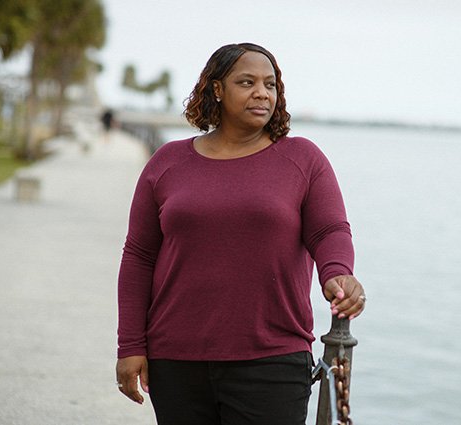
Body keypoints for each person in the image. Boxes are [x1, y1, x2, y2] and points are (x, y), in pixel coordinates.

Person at [115, 42, 366, 425]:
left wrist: (337, 272)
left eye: (270, 84)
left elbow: (330, 229)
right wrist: (130, 344)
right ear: (217, 89)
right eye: (246, 82)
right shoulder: (167, 163)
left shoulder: (302, 159)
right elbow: (139, 256)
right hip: (176, 360)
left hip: (272, 359)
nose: (262, 92)